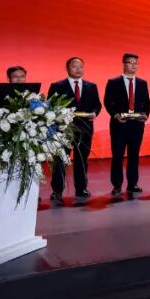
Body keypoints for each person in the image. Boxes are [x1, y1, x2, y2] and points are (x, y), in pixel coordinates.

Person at [47, 56, 100, 204]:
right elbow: (50, 105)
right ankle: (57, 190)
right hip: (63, 129)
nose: (78, 69)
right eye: (74, 66)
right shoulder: (57, 86)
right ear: (67, 68)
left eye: (81, 67)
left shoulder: (91, 86)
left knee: (82, 160)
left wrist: (95, 112)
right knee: (60, 160)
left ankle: (81, 188)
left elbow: (97, 105)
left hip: (85, 129)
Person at [103, 52, 150, 200]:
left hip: (136, 125)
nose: (134, 65)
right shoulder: (113, 82)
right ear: (124, 64)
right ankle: (117, 185)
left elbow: (147, 102)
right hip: (120, 124)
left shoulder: (142, 83)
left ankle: (132, 184)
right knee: (117, 155)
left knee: (134, 155)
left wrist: (145, 115)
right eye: (131, 63)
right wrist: (115, 115)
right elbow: (107, 102)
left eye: (136, 63)